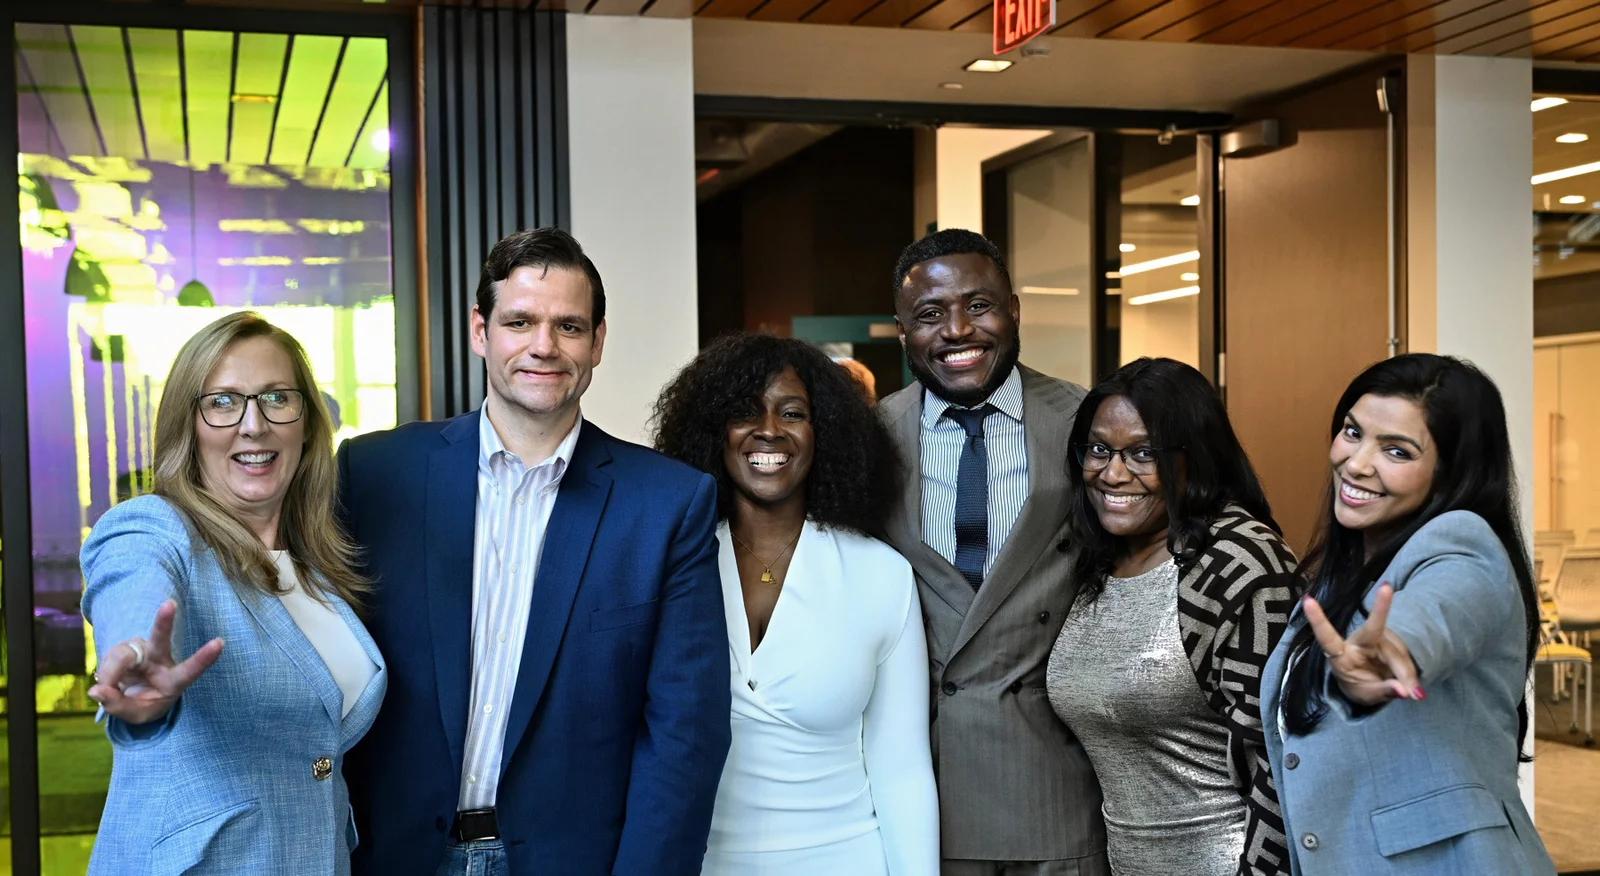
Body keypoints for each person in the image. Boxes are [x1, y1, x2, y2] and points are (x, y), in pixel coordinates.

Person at [339, 227, 731, 876]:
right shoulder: (375, 475)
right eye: (519, 322)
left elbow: (685, 734)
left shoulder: (668, 504)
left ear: (597, 342)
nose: (543, 346)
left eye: (569, 327)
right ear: (480, 331)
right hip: (395, 857)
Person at [81, 311, 385, 875]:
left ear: (306, 423)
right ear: (188, 426)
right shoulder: (156, 527)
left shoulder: (317, 568)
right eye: (222, 402)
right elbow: (132, 580)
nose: (254, 424)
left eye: (277, 398)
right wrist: (139, 653)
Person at [653, 333, 939, 876]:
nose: (769, 430)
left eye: (792, 413)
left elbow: (902, 769)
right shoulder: (669, 564)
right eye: (744, 412)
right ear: (713, 430)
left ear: (823, 432)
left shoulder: (880, 574)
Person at [1262, 354, 1555, 875]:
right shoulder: (1344, 574)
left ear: (1449, 472)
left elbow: (1437, 612)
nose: (1357, 463)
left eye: (1396, 450)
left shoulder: (1463, 544)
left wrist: (1392, 652)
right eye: (1353, 432)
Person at [877, 228, 1108, 876]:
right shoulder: (870, 438)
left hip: (1059, 787)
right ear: (902, 332)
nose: (957, 330)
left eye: (978, 306)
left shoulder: (1086, 423)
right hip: (926, 788)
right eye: (930, 314)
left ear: (1014, 309)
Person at [1046, 358, 1297, 876]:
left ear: (1195, 456)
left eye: (1144, 453)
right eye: (1099, 449)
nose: (1113, 474)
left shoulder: (1241, 563)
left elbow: (1283, 760)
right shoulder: (1095, 557)